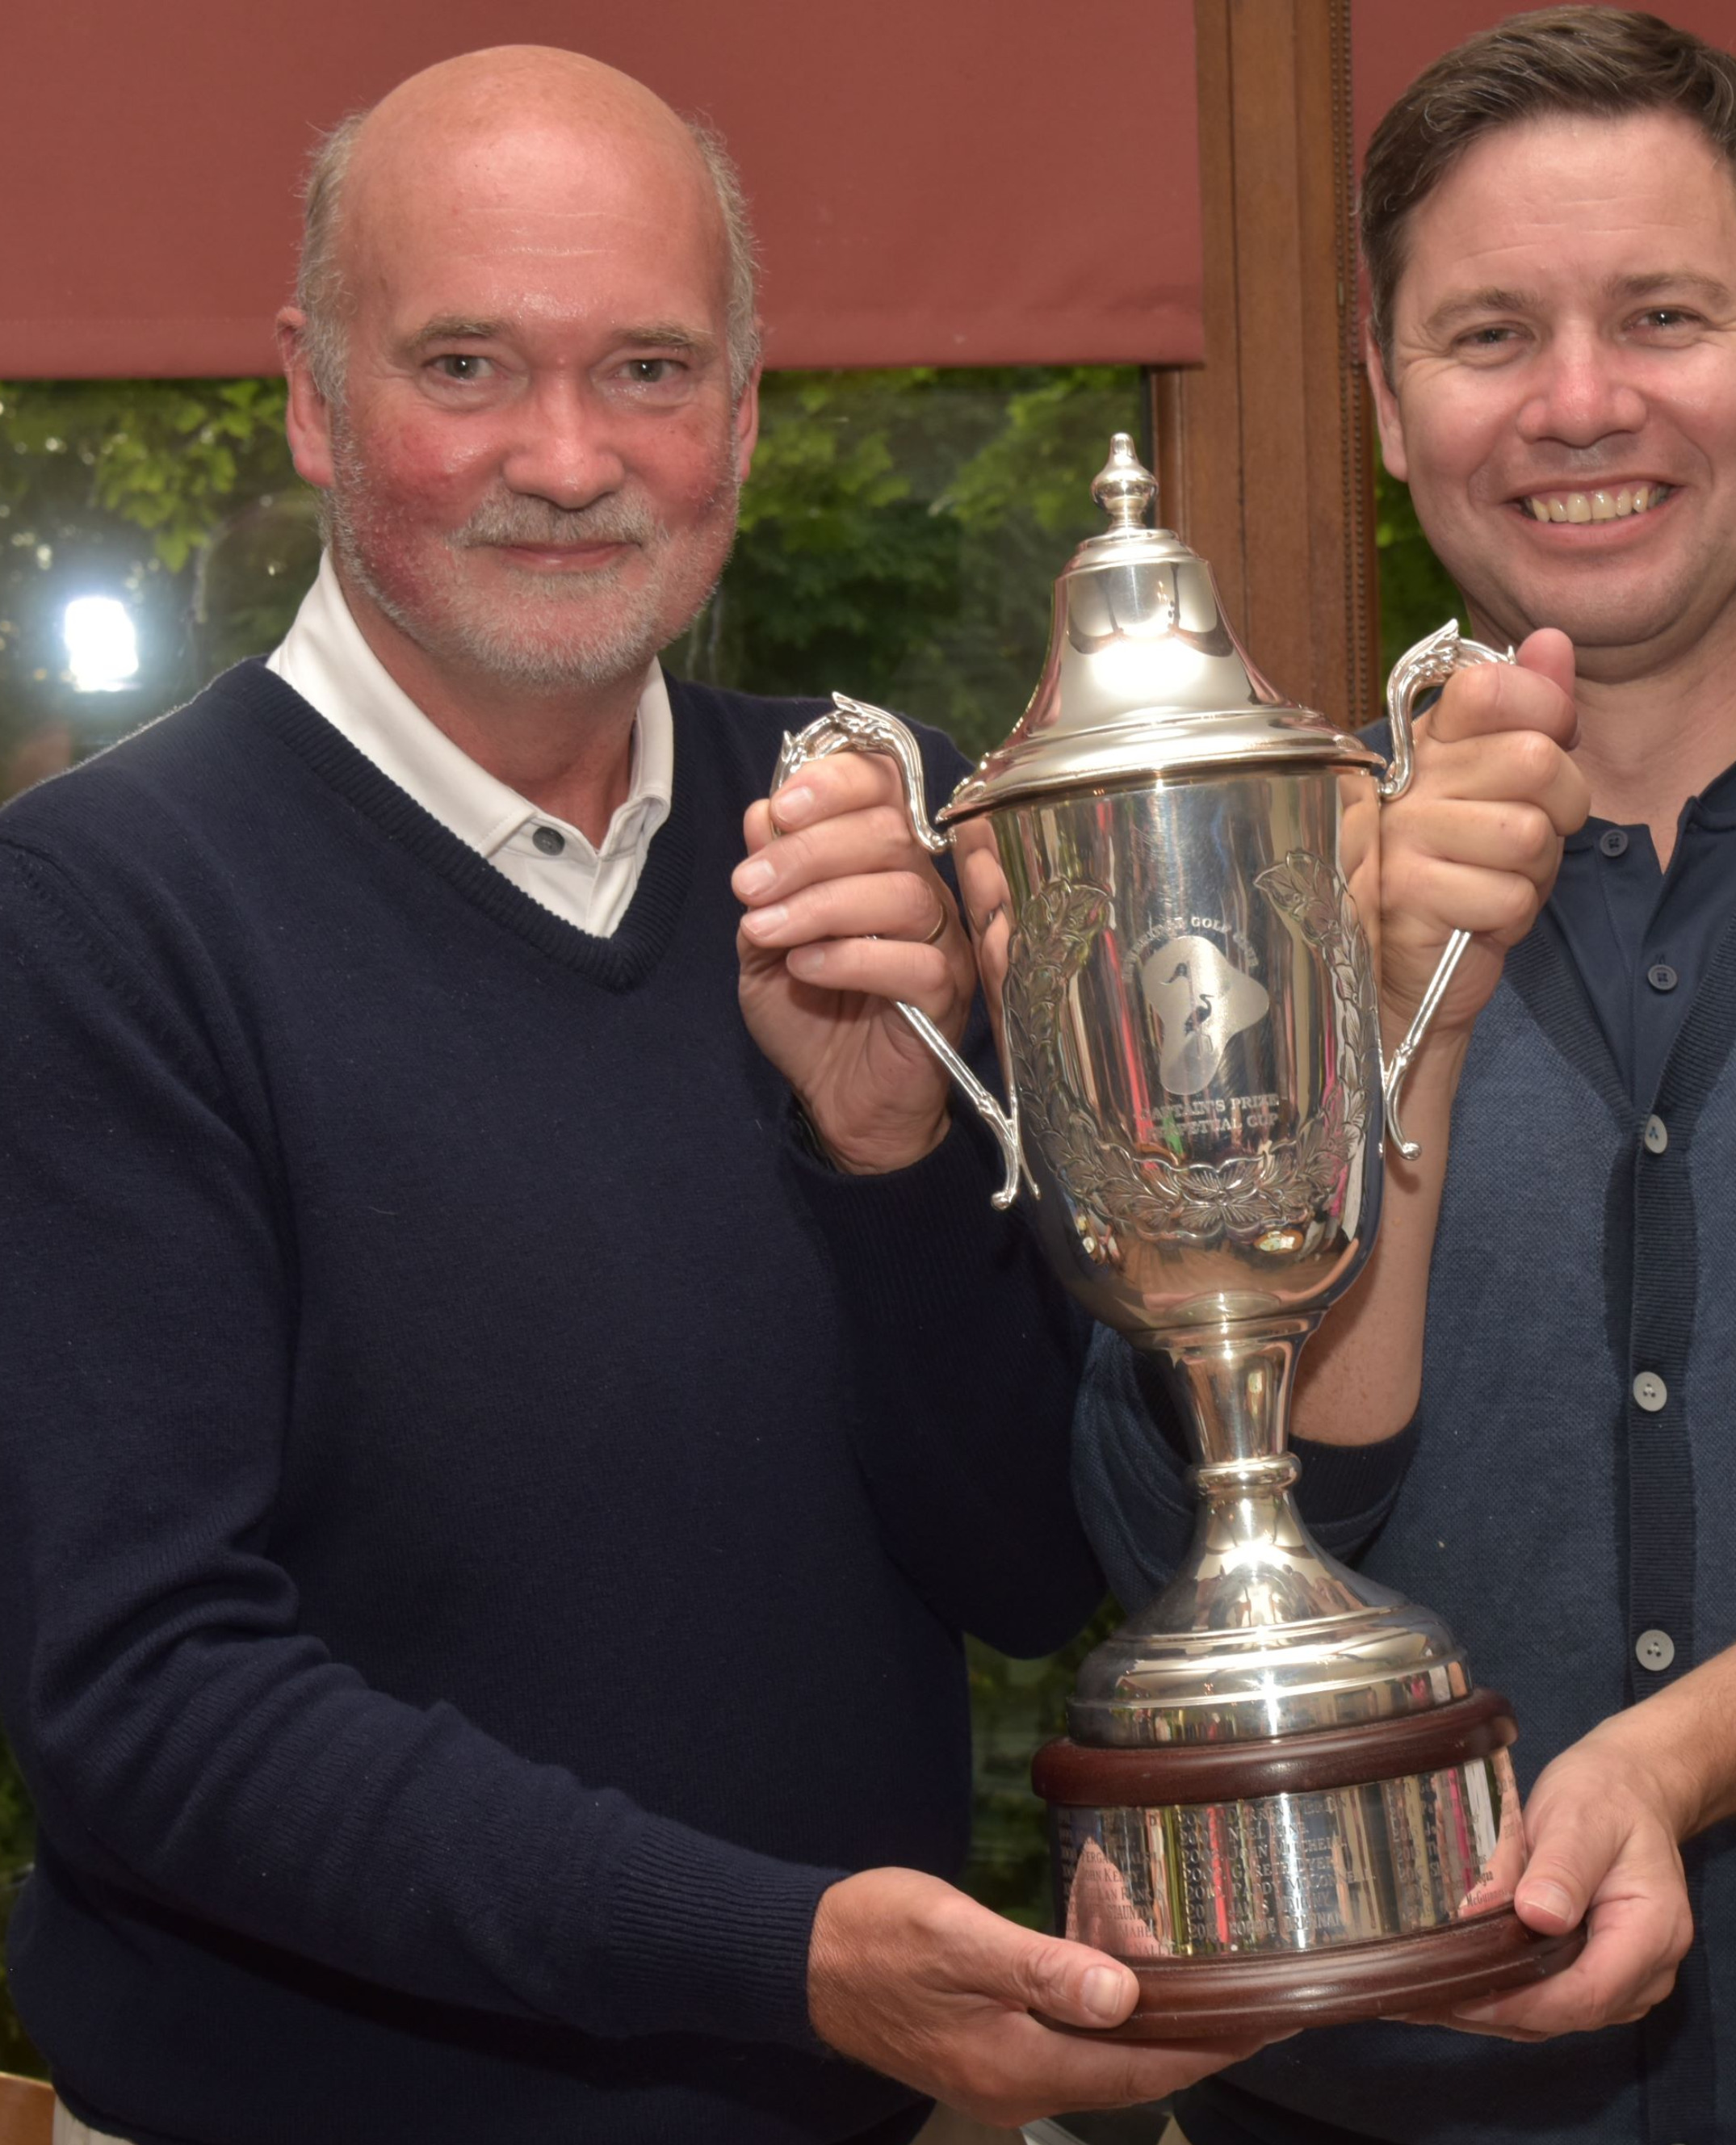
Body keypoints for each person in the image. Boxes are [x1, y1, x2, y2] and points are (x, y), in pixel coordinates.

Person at [0, 47, 1260, 2145]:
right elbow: (147, 1704)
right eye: (469, 365)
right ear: (314, 397)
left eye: (652, 371)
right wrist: (783, 1955)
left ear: (744, 420)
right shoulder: (99, 917)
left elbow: (1034, 1569)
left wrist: (886, 1147)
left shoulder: (876, 841)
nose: (569, 458)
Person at [1068, 10, 1736, 2144]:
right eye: (1488, 334)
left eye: (1665, 314)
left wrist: (1677, 1755)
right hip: (1373, 2106)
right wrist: (1410, 1035)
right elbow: (1191, 1531)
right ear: (1389, 405)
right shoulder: (1245, 900)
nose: (1582, 403)